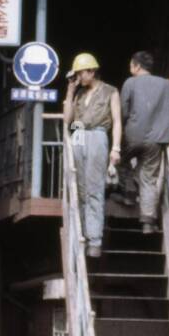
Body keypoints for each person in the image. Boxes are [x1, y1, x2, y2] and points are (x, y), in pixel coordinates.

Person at [120, 51, 169, 234]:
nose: (130, 68)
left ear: (137, 66)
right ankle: (148, 221)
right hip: (157, 138)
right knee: (149, 176)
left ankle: (128, 193)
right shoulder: (166, 84)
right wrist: (168, 108)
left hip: (132, 135)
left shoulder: (130, 83)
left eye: (131, 64)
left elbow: (123, 111)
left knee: (121, 160)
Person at [62, 52, 121, 258]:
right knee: (80, 188)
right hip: (79, 135)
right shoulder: (78, 94)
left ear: (92, 71)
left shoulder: (110, 91)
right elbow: (67, 120)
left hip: (97, 136)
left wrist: (116, 148)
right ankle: (84, 235)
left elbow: (117, 121)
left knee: (94, 188)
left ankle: (95, 239)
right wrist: (70, 92)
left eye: (81, 73)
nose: (79, 77)